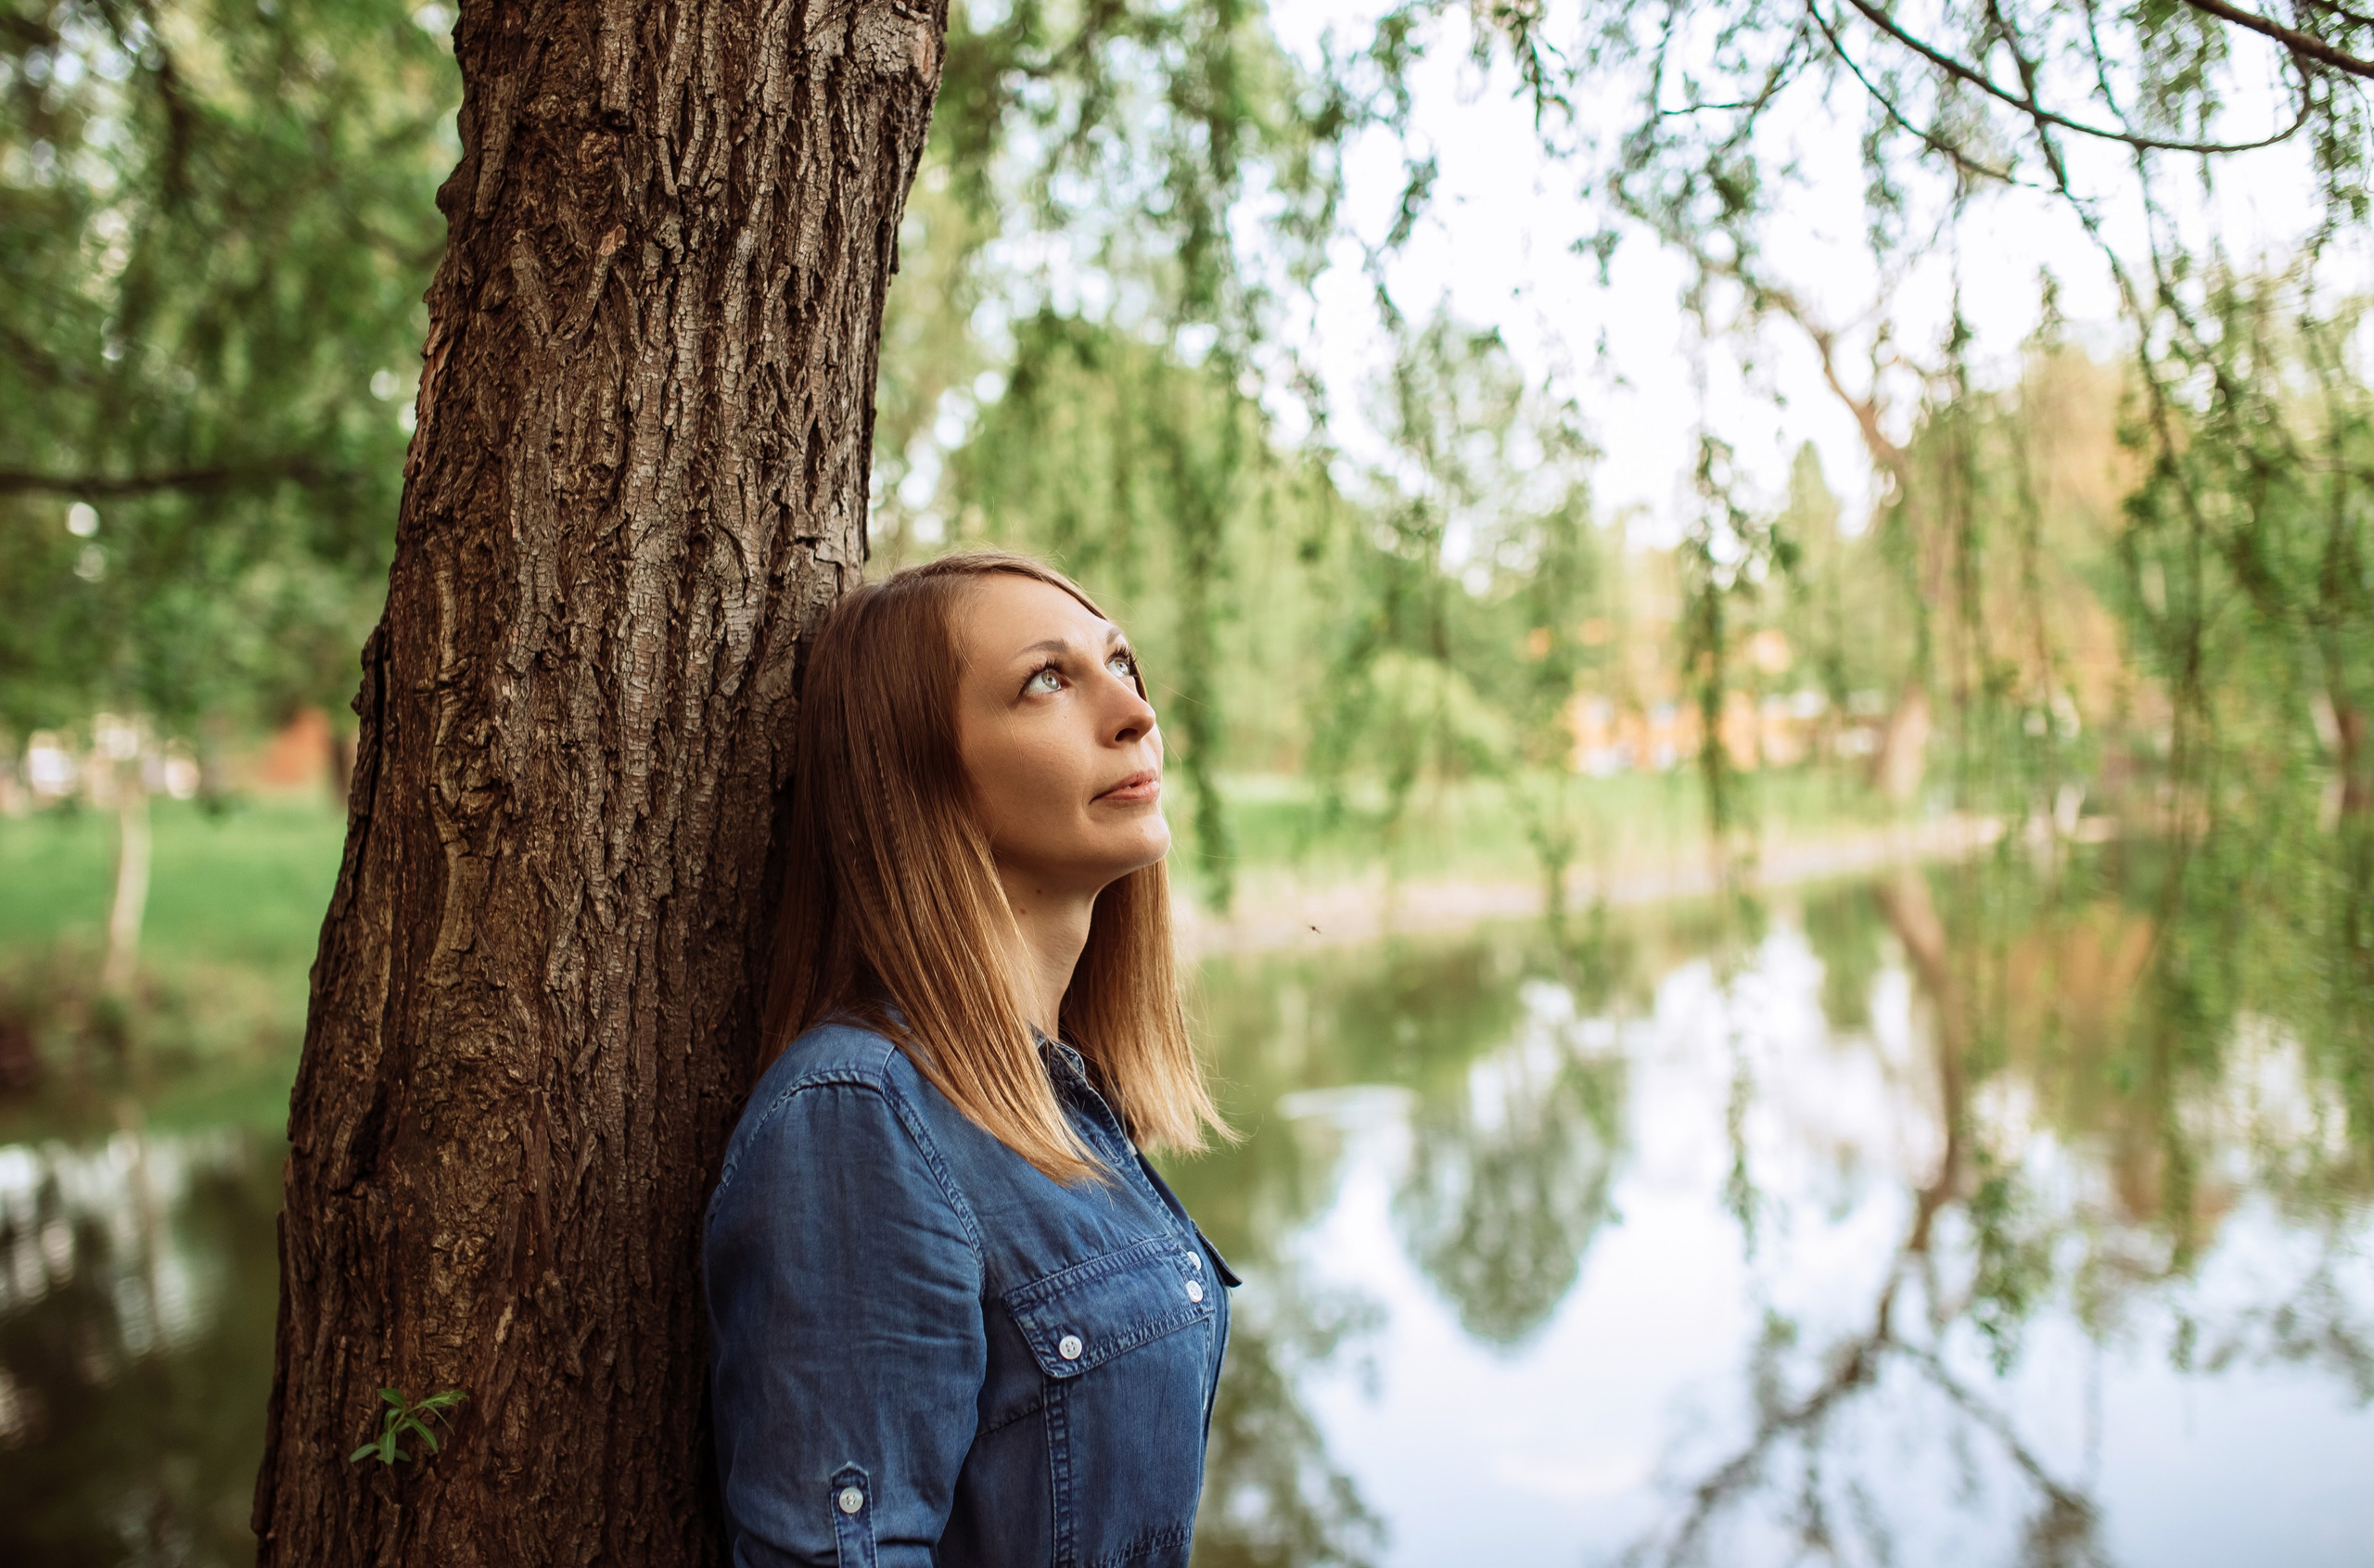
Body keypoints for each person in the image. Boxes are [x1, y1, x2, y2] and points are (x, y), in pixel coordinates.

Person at [705, 550, 1239, 1568]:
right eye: (1049, 678)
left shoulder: (1061, 1095)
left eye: (1122, 663)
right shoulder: (858, 1117)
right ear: (917, 772)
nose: (1132, 710)